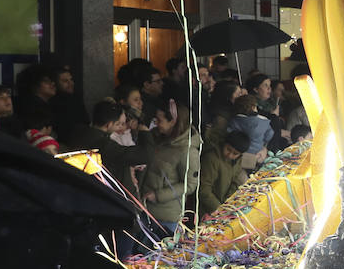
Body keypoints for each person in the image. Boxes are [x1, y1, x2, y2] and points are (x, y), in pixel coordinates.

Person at [64, 99, 155, 198]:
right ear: (109, 125)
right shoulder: (103, 145)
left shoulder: (79, 133)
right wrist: (144, 132)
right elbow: (146, 155)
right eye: (118, 124)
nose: (121, 128)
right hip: (112, 199)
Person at [139, 100, 201, 236]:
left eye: (159, 120)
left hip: (165, 216)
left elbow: (190, 184)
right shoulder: (158, 138)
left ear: (173, 121)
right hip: (144, 208)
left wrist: (158, 196)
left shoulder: (188, 151)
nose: (156, 123)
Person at [198, 130, 248, 217]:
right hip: (206, 208)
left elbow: (235, 182)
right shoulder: (211, 159)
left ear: (240, 155)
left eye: (235, 154)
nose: (230, 155)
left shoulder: (237, 160)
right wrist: (219, 209)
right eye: (228, 149)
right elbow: (204, 189)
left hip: (223, 206)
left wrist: (228, 204)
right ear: (224, 144)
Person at [227, 94, 272, 172]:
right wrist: (263, 144)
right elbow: (270, 133)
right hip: (259, 152)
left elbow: (230, 134)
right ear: (253, 107)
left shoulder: (235, 121)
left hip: (242, 156)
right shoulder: (263, 121)